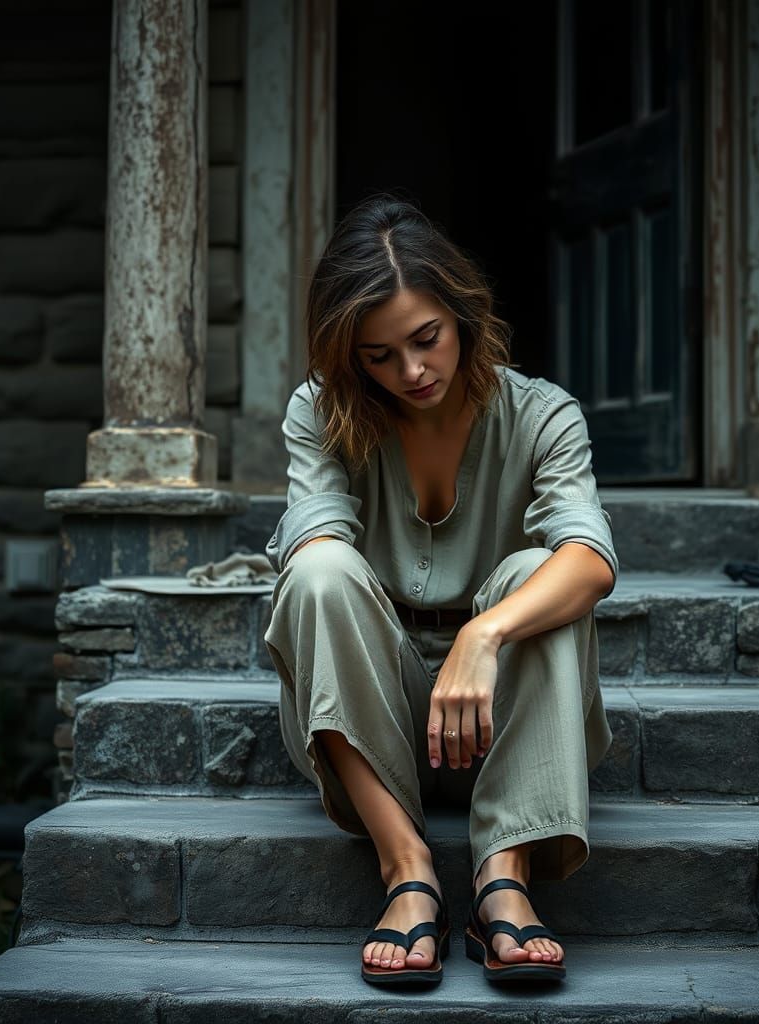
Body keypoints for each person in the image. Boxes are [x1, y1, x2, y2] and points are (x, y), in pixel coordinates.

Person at [263, 194, 618, 987]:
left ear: (461, 315)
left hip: (508, 718)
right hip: (368, 725)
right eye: (378, 356)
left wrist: (480, 636)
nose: (412, 372)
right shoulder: (320, 412)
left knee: (542, 574)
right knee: (316, 569)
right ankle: (407, 869)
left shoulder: (541, 412)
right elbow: (315, 547)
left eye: (426, 340)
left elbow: (591, 559)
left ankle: (505, 879)